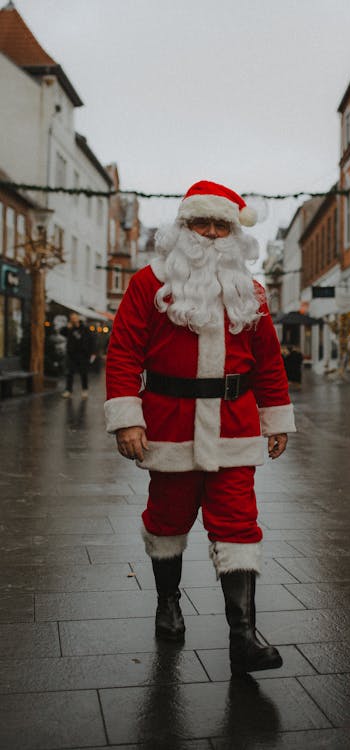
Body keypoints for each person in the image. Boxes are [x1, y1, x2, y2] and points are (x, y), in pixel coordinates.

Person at [104, 180, 296, 675]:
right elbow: (123, 352)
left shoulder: (250, 291)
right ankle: (168, 601)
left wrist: (276, 418)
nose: (210, 233)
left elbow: (269, 362)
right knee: (167, 521)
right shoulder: (149, 282)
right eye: (201, 223)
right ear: (183, 227)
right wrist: (127, 419)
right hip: (169, 425)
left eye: (221, 225)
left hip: (234, 425)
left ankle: (243, 636)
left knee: (238, 523)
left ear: (235, 233)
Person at [61, 313, 96, 398]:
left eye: (75, 318)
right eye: (72, 318)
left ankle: (85, 390)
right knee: (69, 373)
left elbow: (91, 340)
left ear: (78, 318)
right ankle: (68, 390)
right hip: (71, 354)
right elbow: (62, 333)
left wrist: (93, 352)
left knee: (83, 373)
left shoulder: (84, 328)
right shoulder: (69, 328)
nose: (73, 319)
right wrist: (67, 328)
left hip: (83, 354)